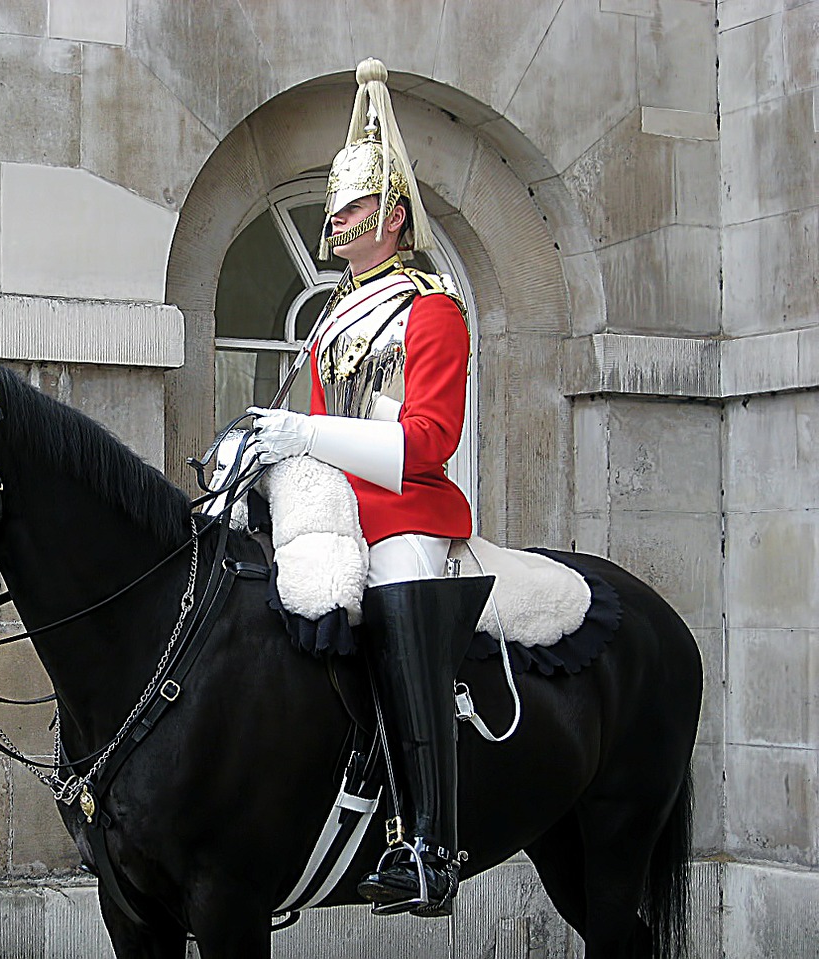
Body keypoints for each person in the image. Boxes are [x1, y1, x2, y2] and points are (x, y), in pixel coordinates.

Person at [249, 59, 491, 915]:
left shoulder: (434, 309)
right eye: (333, 207)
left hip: (410, 514)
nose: (334, 219)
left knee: (395, 596)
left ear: (392, 216)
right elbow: (310, 429)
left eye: (351, 207)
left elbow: (428, 442)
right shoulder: (329, 317)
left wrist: (307, 433)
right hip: (337, 509)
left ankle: (430, 844)